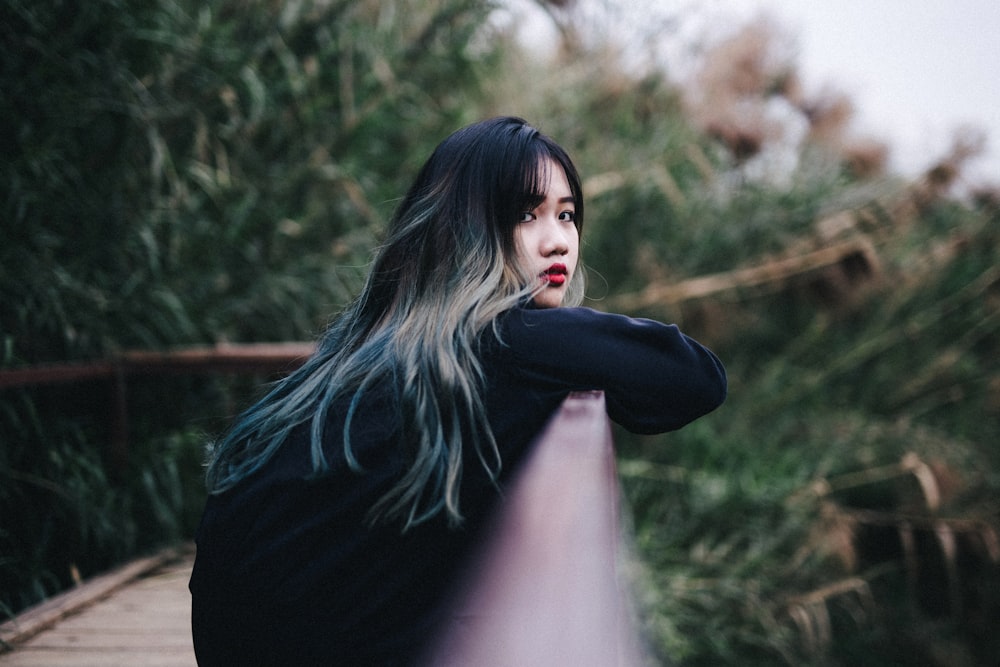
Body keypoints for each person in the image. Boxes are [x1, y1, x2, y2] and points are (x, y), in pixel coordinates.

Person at [189, 116, 726, 665]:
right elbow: (695, 377)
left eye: (566, 215)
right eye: (526, 215)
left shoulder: (378, 339)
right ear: (466, 227)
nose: (558, 240)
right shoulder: (508, 340)